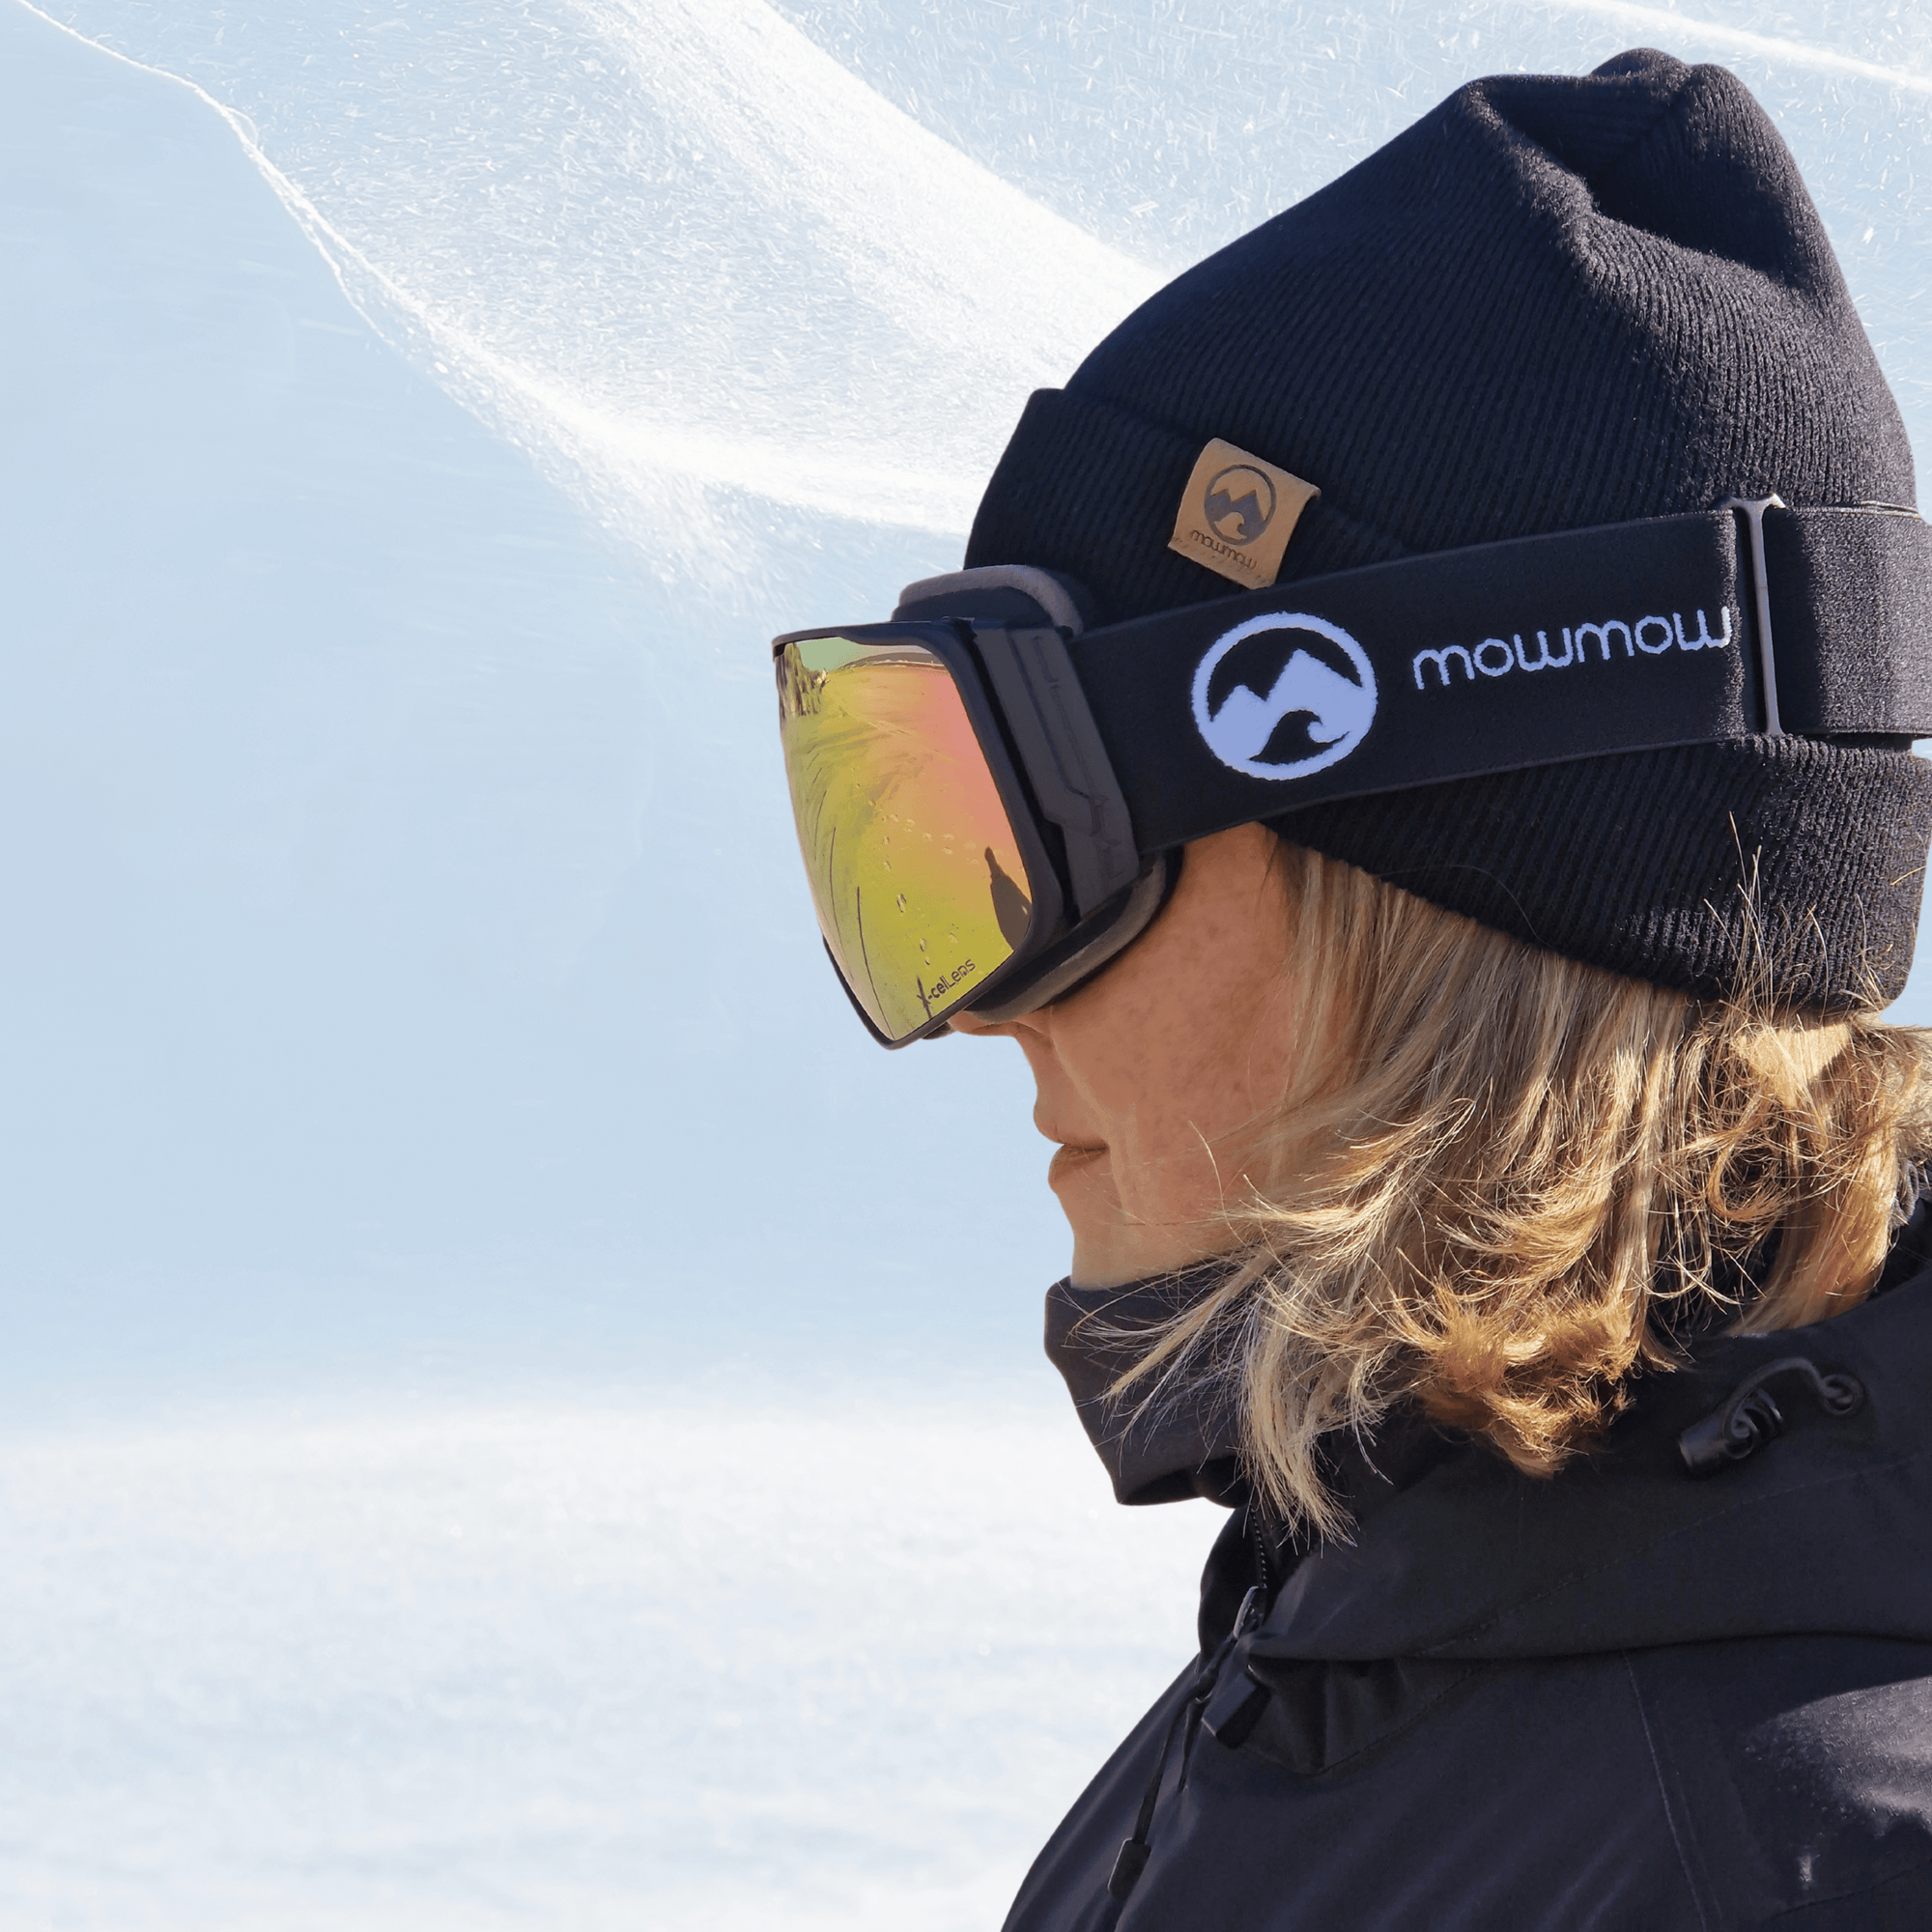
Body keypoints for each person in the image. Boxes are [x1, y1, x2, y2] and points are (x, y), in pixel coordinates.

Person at [771, 47, 1932, 1928]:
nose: (985, 1009)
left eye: (1049, 855)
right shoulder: (1370, 1642)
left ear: (1419, 899)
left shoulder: (1792, 1851)